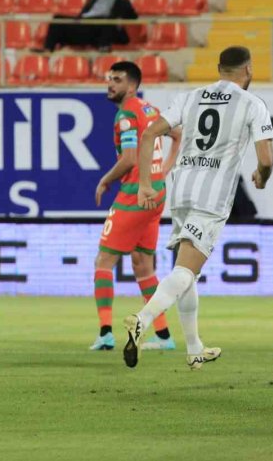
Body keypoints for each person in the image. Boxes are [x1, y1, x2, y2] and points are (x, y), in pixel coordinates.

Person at [123, 46, 273, 370]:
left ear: (219, 68)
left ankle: (194, 348)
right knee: (185, 271)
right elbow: (266, 159)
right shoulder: (252, 104)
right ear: (247, 70)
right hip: (211, 197)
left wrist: (146, 184)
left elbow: (150, 133)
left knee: (187, 270)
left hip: (181, 191)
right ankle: (143, 319)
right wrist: (261, 177)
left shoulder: (190, 96)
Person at [90, 61, 181, 352]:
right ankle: (164, 336)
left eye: (116, 79)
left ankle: (105, 333)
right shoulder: (149, 109)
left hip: (134, 195)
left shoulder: (127, 114)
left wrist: (105, 180)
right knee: (143, 265)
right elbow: (178, 136)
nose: (110, 84)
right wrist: (163, 171)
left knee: (103, 261)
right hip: (156, 194)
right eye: (109, 78)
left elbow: (129, 158)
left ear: (132, 86)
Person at [33, 0, 138, 53]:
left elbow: (134, 16)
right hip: (85, 23)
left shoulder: (122, 0)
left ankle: (103, 47)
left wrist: (120, 19)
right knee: (57, 18)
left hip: (101, 28)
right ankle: (48, 49)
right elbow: (85, 12)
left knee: (107, 20)